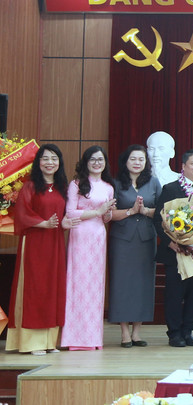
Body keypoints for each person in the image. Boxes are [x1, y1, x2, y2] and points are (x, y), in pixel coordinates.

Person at [5, 144, 78, 355]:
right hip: (35, 243)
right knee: (34, 288)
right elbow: (21, 214)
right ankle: (31, 343)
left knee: (52, 288)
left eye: (54, 159)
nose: (50, 163)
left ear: (59, 163)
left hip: (55, 244)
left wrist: (63, 223)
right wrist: (43, 223)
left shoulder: (62, 187)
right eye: (45, 158)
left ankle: (49, 342)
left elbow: (61, 216)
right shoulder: (30, 186)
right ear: (38, 162)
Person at [153, 149, 193, 347]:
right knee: (175, 294)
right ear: (183, 166)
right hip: (177, 252)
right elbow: (158, 220)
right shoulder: (171, 189)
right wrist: (171, 242)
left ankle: (188, 331)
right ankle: (174, 333)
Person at [60, 145, 116, 350]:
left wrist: (107, 213)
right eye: (92, 159)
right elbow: (70, 212)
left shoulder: (108, 187)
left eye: (100, 159)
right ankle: (73, 338)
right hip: (80, 234)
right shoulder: (76, 184)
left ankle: (92, 339)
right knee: (77, 283)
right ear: (86, 162)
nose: (96, 163)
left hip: (98, 236)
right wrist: (97, 212)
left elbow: (106, 218)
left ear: (105, 163)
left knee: (95, 286)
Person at [109, 145, 161, 348]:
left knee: (143, 284)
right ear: (125, 161)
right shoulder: (115, 183)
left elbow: (163, 211)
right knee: (121, 284)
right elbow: (109, 214)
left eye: (141, 159)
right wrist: (130, 211)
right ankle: (124, 332)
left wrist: (145, 210)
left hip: (146, 240)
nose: (137, 162)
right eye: (133, 159)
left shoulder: (153, 182)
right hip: (122, 240)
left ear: (146, 162)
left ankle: (137, 332)